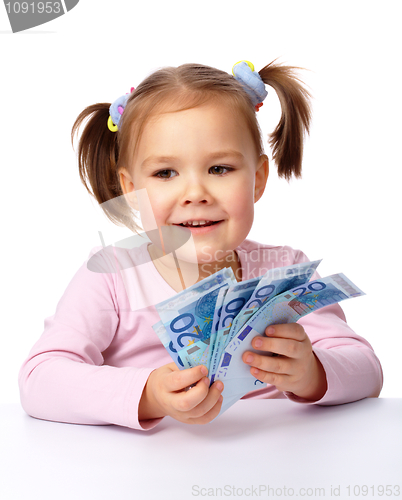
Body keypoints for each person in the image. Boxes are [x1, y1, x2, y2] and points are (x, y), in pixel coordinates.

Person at [18, 60, 383, 430]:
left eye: (219, 169)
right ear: (132, 190)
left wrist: (313, 373)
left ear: (257, 179)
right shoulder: (111, 277)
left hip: (272, 467)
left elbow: (367, 371)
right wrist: (148, 394)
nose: (195, 194)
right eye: (165, 173)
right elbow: (40, 379)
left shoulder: (284, 270)